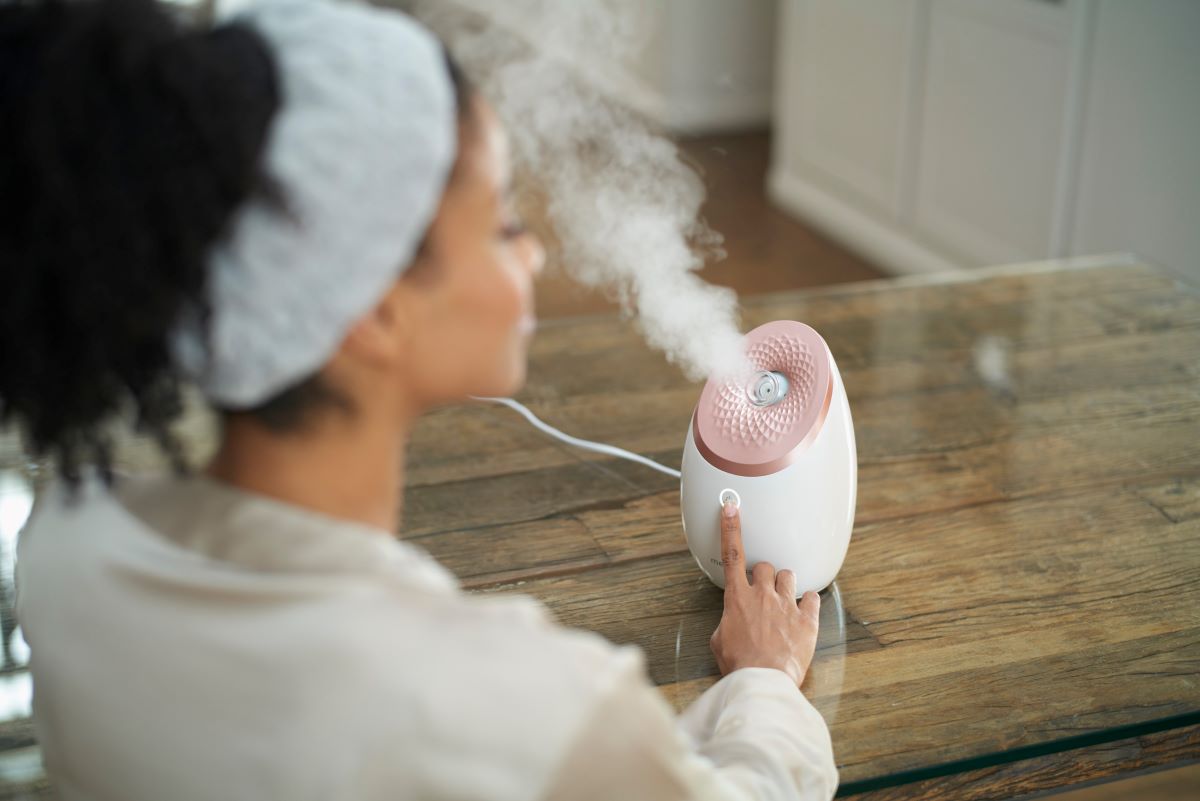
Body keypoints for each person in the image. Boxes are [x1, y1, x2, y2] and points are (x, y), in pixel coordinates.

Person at [2, 0, 837, 798]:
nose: (535, 255)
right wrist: (763, 685)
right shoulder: (510, 705)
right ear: (376, 309)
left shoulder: (70, 548)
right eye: (502, 221)